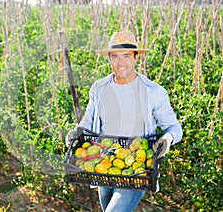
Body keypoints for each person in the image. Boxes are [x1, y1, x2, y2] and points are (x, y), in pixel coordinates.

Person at [65, 31, 183, 212]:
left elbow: (174, 127)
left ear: (136, 57)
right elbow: (87, 123)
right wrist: (76, 133)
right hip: (103, 164)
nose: (121, 62)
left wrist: (168, 138)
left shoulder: (152, 91)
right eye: (115, 56)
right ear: (109, 59)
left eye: (126, 56)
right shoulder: (99, 88)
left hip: (137, 169)